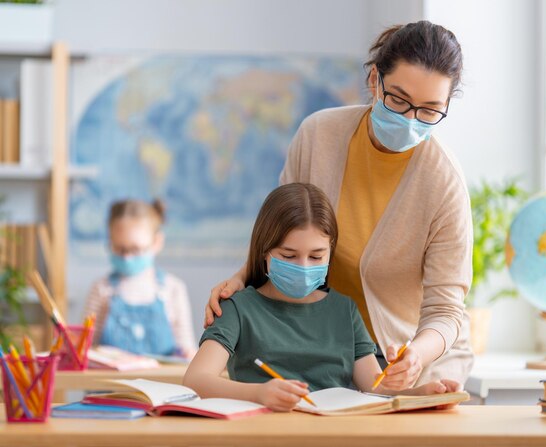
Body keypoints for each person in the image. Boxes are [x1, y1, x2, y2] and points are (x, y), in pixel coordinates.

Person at [205, 20, 474, 389]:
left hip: (400, 357)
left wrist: (416, 355)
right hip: (321, 345)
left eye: (429, 110)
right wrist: (240, 279)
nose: (410, 119)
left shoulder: (444, 182)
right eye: (398, 99)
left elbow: (446, 309)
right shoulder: (319, 135)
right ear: (374, 81)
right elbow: (281, 230)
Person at [184, 183, 460, 411]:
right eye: (288, 256)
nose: (304, 267)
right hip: (264, 435)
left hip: (334, 436)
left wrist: (423, 395)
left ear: (330, 252)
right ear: (264, 252)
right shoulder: (238, 308)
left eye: (316, 256)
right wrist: (258, 394)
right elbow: (196, 380)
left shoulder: (344, 310)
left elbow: (375, 388)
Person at [84, 199, 196, 358]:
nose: (127, 257)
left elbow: (187, 348)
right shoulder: (101, 289)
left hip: (161, 382)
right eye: (119, 249)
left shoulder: (173, 289)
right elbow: (86, 347)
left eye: (135, 249)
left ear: (157, 242)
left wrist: (187, 353)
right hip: (110, 382)